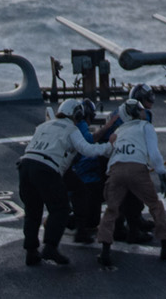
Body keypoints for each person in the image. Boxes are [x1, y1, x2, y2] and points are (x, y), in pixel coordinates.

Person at [17, 98, 111, 267]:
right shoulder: (71, 129)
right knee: (60, 208)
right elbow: (87, 150)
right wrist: (108, 147)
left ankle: (31, 252)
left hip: (26, 166)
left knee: (32, 211)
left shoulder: (43, 126)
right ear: (77, 114)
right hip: (47, 168)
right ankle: (50, 247)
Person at [96, 97, 166, 266]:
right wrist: (162, 174)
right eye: (140, 109)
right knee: (155, 206)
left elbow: (108, 151)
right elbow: (154, 154)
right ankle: (165, 245)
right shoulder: (146, 126)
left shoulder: (119, 131)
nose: (143, 111)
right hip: (137, 169)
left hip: (116, 170)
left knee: (111, 211)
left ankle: (105, 251)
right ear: (136, 112)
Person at [65, 99, 106, 244]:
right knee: (92, 221)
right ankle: (68, 221)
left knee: (92, 220)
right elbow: (90, 143)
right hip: (88, 178)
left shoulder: (69, 126)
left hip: (73, 174)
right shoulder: (81, 126)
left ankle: (69, 220)